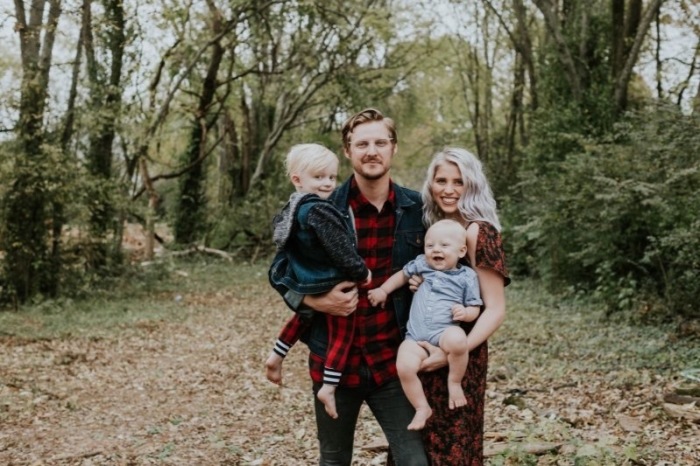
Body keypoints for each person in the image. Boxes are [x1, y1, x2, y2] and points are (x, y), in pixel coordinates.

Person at [269, 108, 428, 465]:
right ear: (348, 151)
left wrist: (424, 279)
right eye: (362, 144)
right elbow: (279, 271)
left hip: (393, 359)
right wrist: (313, 299)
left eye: (380, 142)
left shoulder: (417, 207)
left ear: (393, 148)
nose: (371, 151)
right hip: (334, 361)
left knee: (414, 460)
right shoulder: (322, 205)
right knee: (334, 460)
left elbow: (443, 260)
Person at [408, 147, 510, 465]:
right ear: (431, 184)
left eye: (459, 181)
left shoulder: (479, 232)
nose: (449, 189)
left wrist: (453, 351)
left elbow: (495, 309)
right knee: (418, 444)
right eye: (441, 180)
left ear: (472, 186)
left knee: (453, 444)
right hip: (427, 345)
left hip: (460, 358)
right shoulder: (439, 231)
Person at [264, 143, 372, 420]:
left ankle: (276, 356)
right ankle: (329, 385)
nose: (327, 183)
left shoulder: (292, 208)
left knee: (303, 316)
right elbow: (340, 249)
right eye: (319, 177)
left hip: (306, 280)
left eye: (331, 177)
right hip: (330, 279)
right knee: (343, 329)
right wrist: (362, 273)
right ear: (297, 179)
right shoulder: (319, 210)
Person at [367, 219, 483, 431]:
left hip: (443, 331)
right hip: (415, 337)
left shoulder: (467, 277)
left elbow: (475, 306)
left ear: (461, 250)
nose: (435, 250)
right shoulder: (422, 264)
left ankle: (454, 382)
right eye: (430, 245)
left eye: (444, 246)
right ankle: (422, 407)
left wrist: (466, 314)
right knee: (404, 366)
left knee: (458, 340)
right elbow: (402, 275)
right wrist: (383, 290)